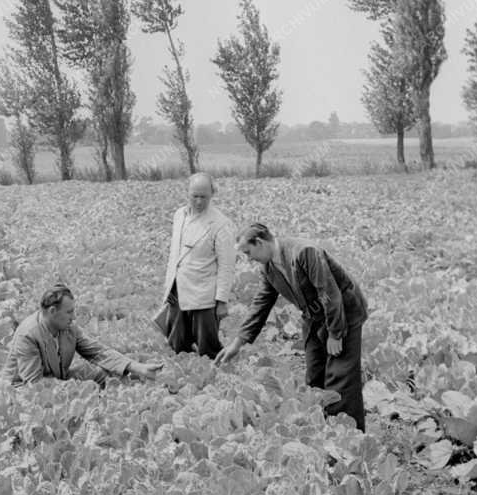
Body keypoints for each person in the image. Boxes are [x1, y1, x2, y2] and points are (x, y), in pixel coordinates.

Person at [215, 222, 368, 431]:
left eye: (249, 252)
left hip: (343, 313)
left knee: (340, 377)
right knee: (315, 375)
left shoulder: (304, 252)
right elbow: (261, 304)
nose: (249, 259)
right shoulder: (269, 268)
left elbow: (330, 293)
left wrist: (335, 333)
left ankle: (349, 435)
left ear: (259, 242)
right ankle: (324, 428)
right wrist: (238, 342)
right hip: (314, 317)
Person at [11, 284, 163, 386]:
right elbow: (34, 384)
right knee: (82, 385)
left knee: (100, 373)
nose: (73, 317)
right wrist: (73, 387)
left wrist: (136, 367)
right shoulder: (28, 335)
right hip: (24, 392)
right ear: (52, 312)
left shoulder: (67, 327)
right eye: (69, 312)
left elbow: (97, 351)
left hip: (58, 381)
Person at [157, 172, 236, 359]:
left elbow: (227, 266)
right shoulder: (179, 215)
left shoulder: (221, 224)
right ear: (187, 193)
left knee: (208, 348)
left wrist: (222, 301)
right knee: (177, 345)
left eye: (204, 197)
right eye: (195, 196)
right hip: (178, 290)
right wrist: (168, 288)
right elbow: (174, 254)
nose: (199, 202)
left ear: (212, 195)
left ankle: (216, 381)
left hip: (204, 294)